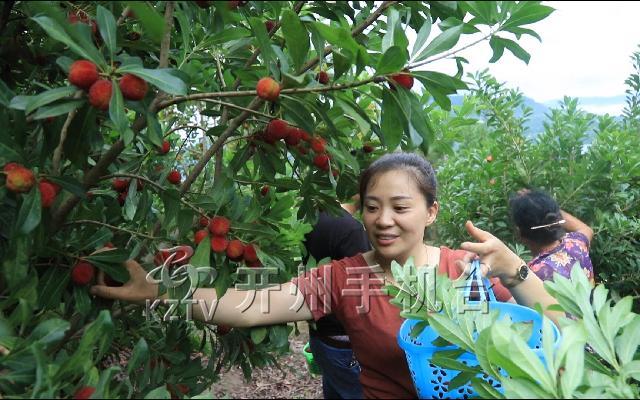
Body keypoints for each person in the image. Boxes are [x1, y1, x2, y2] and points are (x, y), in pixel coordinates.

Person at [91, 152, 562, 399]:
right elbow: (250, 306)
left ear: (430, 212)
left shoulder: (464, 270)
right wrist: (162, 288)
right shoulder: (342, 279)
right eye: (373, 207)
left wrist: (517, 272)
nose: (384, 220)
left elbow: (561, 328)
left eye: (400, 207)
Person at [303, 198, 371, 399]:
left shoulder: (314, 215)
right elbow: (364, 293)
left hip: (321, 333)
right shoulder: (352, 229)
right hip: (345, 342)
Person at [509, 188, 595, 285]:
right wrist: (543, 205)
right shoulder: (576, 245)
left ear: (519, 233)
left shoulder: (534, 275)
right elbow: (587, 229)